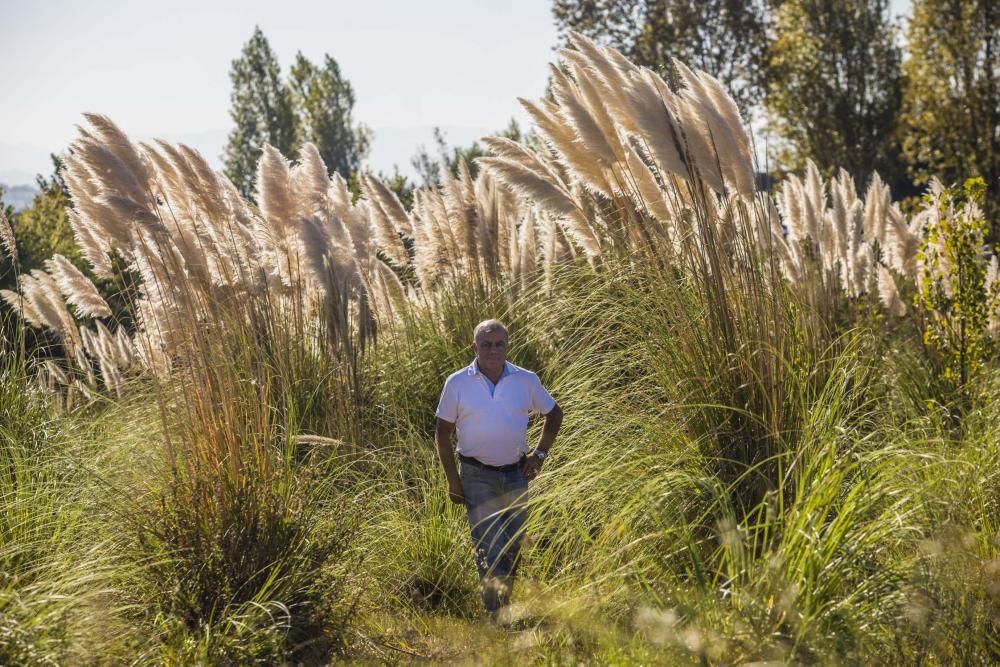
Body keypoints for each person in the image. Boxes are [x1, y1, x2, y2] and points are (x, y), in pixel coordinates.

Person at [435, 319, 563, 622]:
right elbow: (442, 434)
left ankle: (501, 607)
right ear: (474, 347)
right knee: (489, 545)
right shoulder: (457, 383)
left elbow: (555, 414)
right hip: (476, 475)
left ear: (508, 345)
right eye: (486, 344)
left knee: (512, 545)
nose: (493, 350)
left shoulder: (525, 380)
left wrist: (540, 455)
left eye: (499, 344)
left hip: (517, 474)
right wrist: (453, 481)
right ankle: (498, 617)